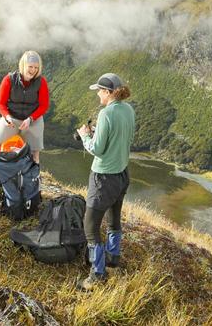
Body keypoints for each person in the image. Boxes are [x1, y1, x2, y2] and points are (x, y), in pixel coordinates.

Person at [76, 73, 135, 290]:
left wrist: (85, 136)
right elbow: (124, 138)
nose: (98, 94)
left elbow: (97, 149)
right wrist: (97, 132)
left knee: (90, 226)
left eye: (100, 91)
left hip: (103, 178)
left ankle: (97, 274)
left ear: (109, 92)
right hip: (121, 175)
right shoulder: (128, 109)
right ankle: (113, 256)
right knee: (113, 218)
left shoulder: (106, 113)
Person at [0, 51, 49, 189]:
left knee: (34, 154)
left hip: (33, 120)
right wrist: (7, 117)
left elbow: (44, 105)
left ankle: (32, 190)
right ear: (23, 65)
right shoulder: (9, 79)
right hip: (11, 118)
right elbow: (1, 103)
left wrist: (31, 119)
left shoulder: (41, 82)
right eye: (30, 66)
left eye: (36, 68)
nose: (33, 70)